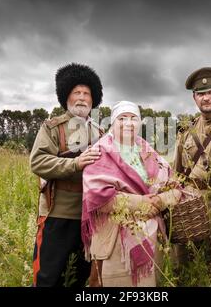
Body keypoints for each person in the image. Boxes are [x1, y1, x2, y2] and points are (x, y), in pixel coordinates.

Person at [81, 101, 182, 287]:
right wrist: (143, 203)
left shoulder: (149, 151)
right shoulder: (99, 152)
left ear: (140, 123)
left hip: (151, 236)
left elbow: (175, 186)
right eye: (122, 118)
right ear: (112, 122)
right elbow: (98, 197)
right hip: (116, 239)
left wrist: (160, 200)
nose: (128, 123)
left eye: (133, 118)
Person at [30, 63, 104, 287]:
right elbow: (38, 161)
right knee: (48, 277)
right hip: (57, 214)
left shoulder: (100, 133)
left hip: (89, 216)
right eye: (76, 93)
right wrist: (76, 164)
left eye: (86, 93)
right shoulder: (52, 127)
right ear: (66, 97)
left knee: (79, 278)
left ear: (93, 100)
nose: (81, 98)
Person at [172, 67, 211, 264]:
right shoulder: (186, 130)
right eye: (200, 94)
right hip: (190, 209)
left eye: (210, 92)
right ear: (194, 98)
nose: (206, 98)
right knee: (185, 265)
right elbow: (176, 172)